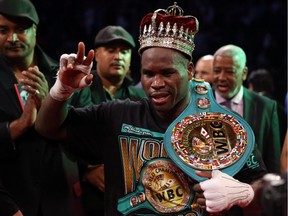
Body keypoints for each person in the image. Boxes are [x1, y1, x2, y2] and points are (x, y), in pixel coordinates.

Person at [35, 3, 267, 215]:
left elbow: (266, 191)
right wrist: (61, 91)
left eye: (167, 73)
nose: (156, 84)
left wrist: (243, 194)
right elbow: (48, 128)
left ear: (189, 71)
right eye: (148, 74)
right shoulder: (116, 115)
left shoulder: (225, 126)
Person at [0, 0, 82, 215]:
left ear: (34, 30)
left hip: (62, 200)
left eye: (21, 29)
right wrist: (18, 126)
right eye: (3, 30)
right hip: (9, 202)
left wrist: (52, 105)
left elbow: (82, 133)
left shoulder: (64, 75)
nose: (12, 38)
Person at [69, 25, 146, 216]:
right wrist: (85, 170)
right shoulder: (78, 90)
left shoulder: (141, 97)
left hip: (130, 195)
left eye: (124, 51)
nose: (118, 56)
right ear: (96, 55)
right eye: (111, 50)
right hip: (83, 195)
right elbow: (58, 134)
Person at [212, 44, 281, 173]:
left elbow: (273, 161)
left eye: (229, 72)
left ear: (244, 74)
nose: (221, 77)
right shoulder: (197, 103)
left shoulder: (267, 107)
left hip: (252, 188)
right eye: (216, 71)